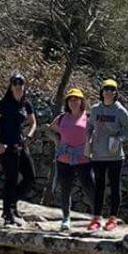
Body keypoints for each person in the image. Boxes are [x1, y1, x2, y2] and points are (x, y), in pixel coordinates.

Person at [0, 72, 37, 226]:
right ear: (10, 86)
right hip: (7, 146)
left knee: (30, 176)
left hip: (20, 145)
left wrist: (29, 135)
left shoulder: (26, 103)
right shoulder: (4, 103)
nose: (18, 87)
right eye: (15, 84)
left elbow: (33, 122)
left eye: (20, 84)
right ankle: (8, 212)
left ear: (24, 86)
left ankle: (12, 204)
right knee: (11, 178)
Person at [86, 79, 128, 232]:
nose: (108, 91)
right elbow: (89, 127)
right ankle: (96, 218)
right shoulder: (95, 110)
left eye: (111, 89)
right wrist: (88, 142)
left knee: (114, 186)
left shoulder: (120, 111)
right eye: (106, 89)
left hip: (114, 156)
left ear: (115, 93)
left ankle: (113, 218)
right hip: (98, 155)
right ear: (102, 92)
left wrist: (119, 139)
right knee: (98, 186)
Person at [49, 87, 92, 230]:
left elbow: (95, 134)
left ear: (81, 101)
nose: (73, 102)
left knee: (90, 188)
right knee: (65, 189)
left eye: (76, 99)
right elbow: (50, 129)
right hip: (64, 158)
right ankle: (66, 218)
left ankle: (97, 217)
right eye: (71, 100)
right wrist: (57, 141)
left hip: (83, 159)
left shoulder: (89, 117)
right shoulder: (62, 118)